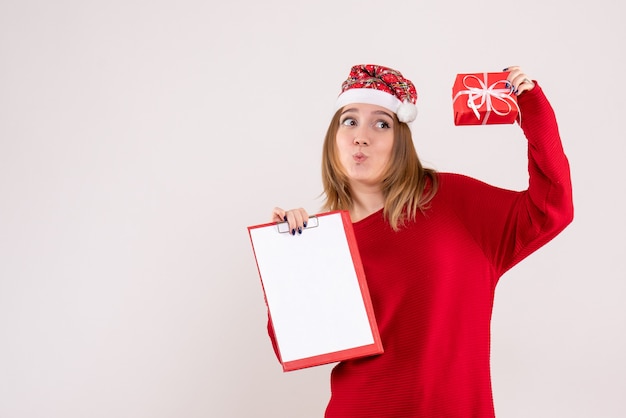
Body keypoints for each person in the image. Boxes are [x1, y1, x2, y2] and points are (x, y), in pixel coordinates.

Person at [268, 64, 573, 417]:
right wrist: (289, 260)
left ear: (401, 139)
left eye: (381, 123)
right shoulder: (322, 241)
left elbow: (552, 207)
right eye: (349, 121)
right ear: (333, 139)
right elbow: (296, 347)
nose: (360, 136)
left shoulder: (453, 202)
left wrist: (533, 111)